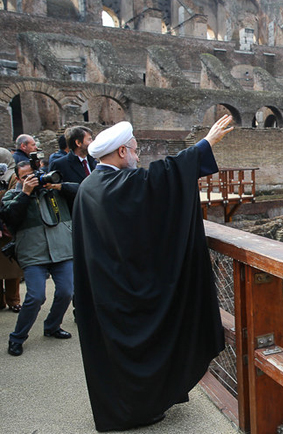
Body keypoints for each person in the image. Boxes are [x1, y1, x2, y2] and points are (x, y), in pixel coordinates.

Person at [72, 115, 233, 432]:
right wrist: (205, 145)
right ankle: (135, 411)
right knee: (135, 353)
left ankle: (128, 409)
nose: (137, 156)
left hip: (106, 290)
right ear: (121, 152)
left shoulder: (89, 186)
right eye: (134, 150)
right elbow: (162, 180)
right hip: (123, 291)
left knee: (118, 356)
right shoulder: (115, 185)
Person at [3, 161, 79, 356]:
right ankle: (17, 337)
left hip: (62, 249)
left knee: (66, 291)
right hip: (33, 253)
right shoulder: (13, 195)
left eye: (36, 174)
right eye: (27, 176)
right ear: (19, 179)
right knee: (36, 296)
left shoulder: (53, 191)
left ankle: (52, 326)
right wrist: (26, 193)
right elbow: (10, 217)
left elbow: (81, 190)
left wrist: (57, 185)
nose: (34, 178)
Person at [0, 148, 22, 313]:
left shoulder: (12, 177)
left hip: (8, 227)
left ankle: (13, 300)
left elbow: (12, 197)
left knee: (12, 267)